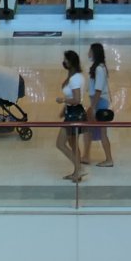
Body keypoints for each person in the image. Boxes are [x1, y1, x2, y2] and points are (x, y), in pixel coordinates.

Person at [55, 49, 87, 184]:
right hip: (73, 112)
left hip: (74, 114)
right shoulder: (76, 76)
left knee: (60, 143)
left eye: (66, 60)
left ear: (71, 62)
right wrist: (64, 109)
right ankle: (76, 173)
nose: (64, 62)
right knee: (73, 145)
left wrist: (63, 101)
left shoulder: (74, 79)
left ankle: (79, 169)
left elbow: (77, 99)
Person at [80, 42, 113, 168]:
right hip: (98, 102)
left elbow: (98, 90)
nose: (88, 53)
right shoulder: (100, 67)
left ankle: (108, 159)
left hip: (99, 103)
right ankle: (86, 156)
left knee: (100, 132)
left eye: (90, 51)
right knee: (88, 130)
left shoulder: (99, 69)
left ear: (95, 53)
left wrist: (93, 107)